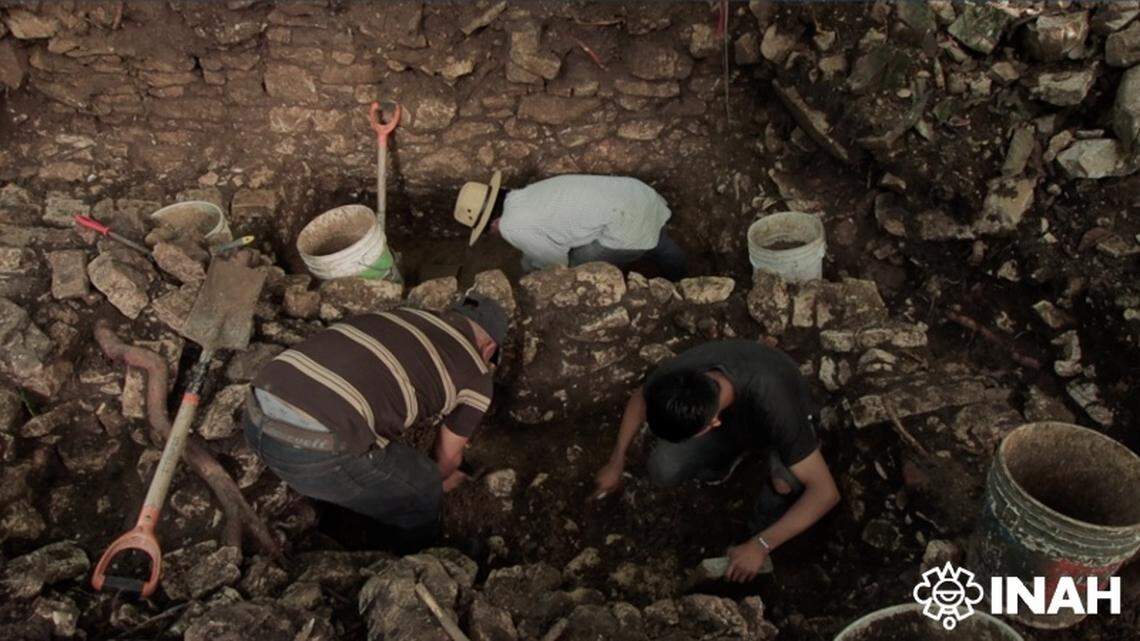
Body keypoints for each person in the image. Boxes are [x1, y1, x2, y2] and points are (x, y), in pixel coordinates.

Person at [243, 294, 508, 549]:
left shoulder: (403, 315)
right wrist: (444, 480)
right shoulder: (477, 374)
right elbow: (448, 456)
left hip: (254, 413)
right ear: (489, 348)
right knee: (422, 488)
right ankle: (413, 557)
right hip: (309, 455)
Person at [593, 340, 839, 583]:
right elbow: (640, 398)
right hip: (737, 418)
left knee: (784, 485)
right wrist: (617, 460)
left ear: (712, 425)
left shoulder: (777, 404)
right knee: (663, 468)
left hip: (778, 420)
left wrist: (761, 545)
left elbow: (825, 492)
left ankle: (758, 530)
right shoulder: (676, 379)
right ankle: (724, 464)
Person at [453, 171, 688, 280]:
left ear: (492, 222)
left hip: (624, 225)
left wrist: (531, 271)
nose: (493, 234)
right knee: (656, 238)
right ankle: (681, 273)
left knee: (576, 264)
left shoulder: (511, 226)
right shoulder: (521, 195)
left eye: (487, 230)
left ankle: (673, 282)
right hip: (638, 194)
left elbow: (558, 261)